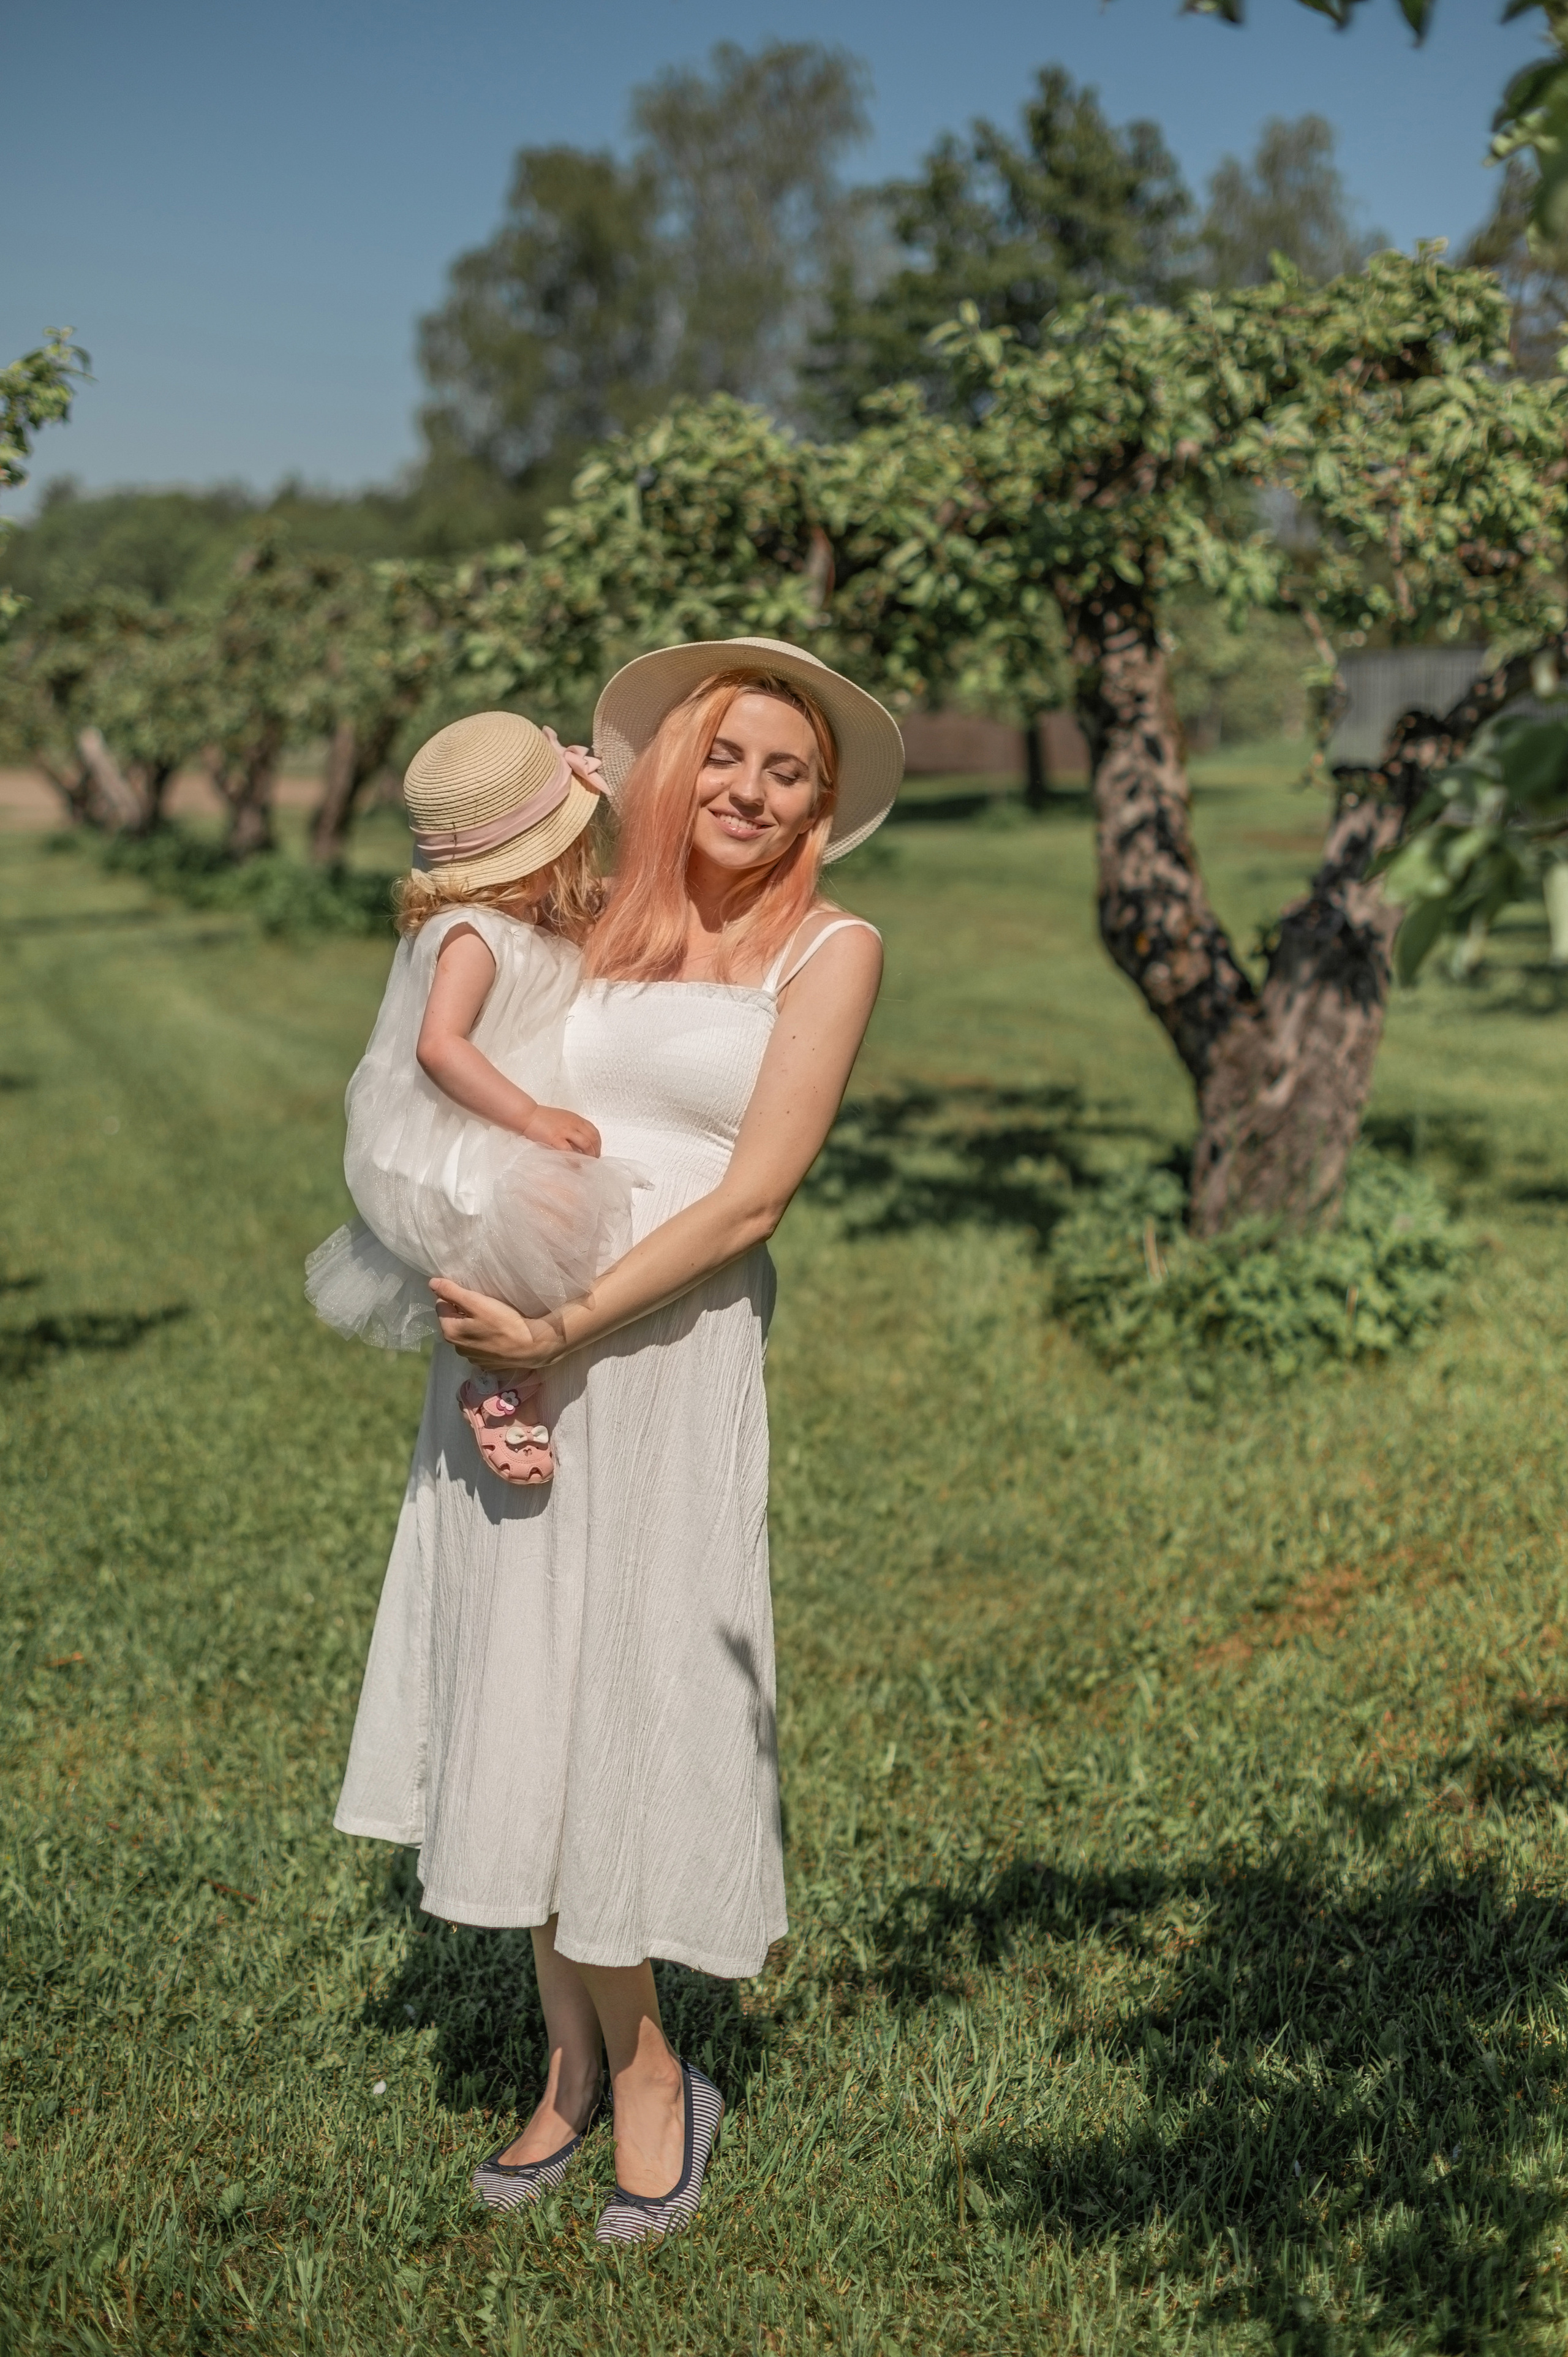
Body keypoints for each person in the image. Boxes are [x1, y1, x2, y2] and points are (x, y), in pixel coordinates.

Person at [333, 637, 902, 2243]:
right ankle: (568, 2065)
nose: (749, 787)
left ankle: (656, 2073)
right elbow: (459, 1005)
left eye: (787, 769)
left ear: (823, 803)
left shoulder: (833, 948)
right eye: (721, 753)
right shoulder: (596, 917)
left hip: (659, 1349)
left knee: (620, 1699)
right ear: (671, 767)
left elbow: (754, 1193)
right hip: (509, 1351)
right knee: (520, 1682)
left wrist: (564, 1328)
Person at [304, 709, 643, 1485]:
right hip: (463, 1133)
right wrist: (530, 1117)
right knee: (544, 1217)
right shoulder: (470, 933)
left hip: (498, 1121)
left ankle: (526, 1365)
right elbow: (439, 1046)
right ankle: (500, 1384)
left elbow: (626, 890)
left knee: (559, 1221)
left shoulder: (526, 915)